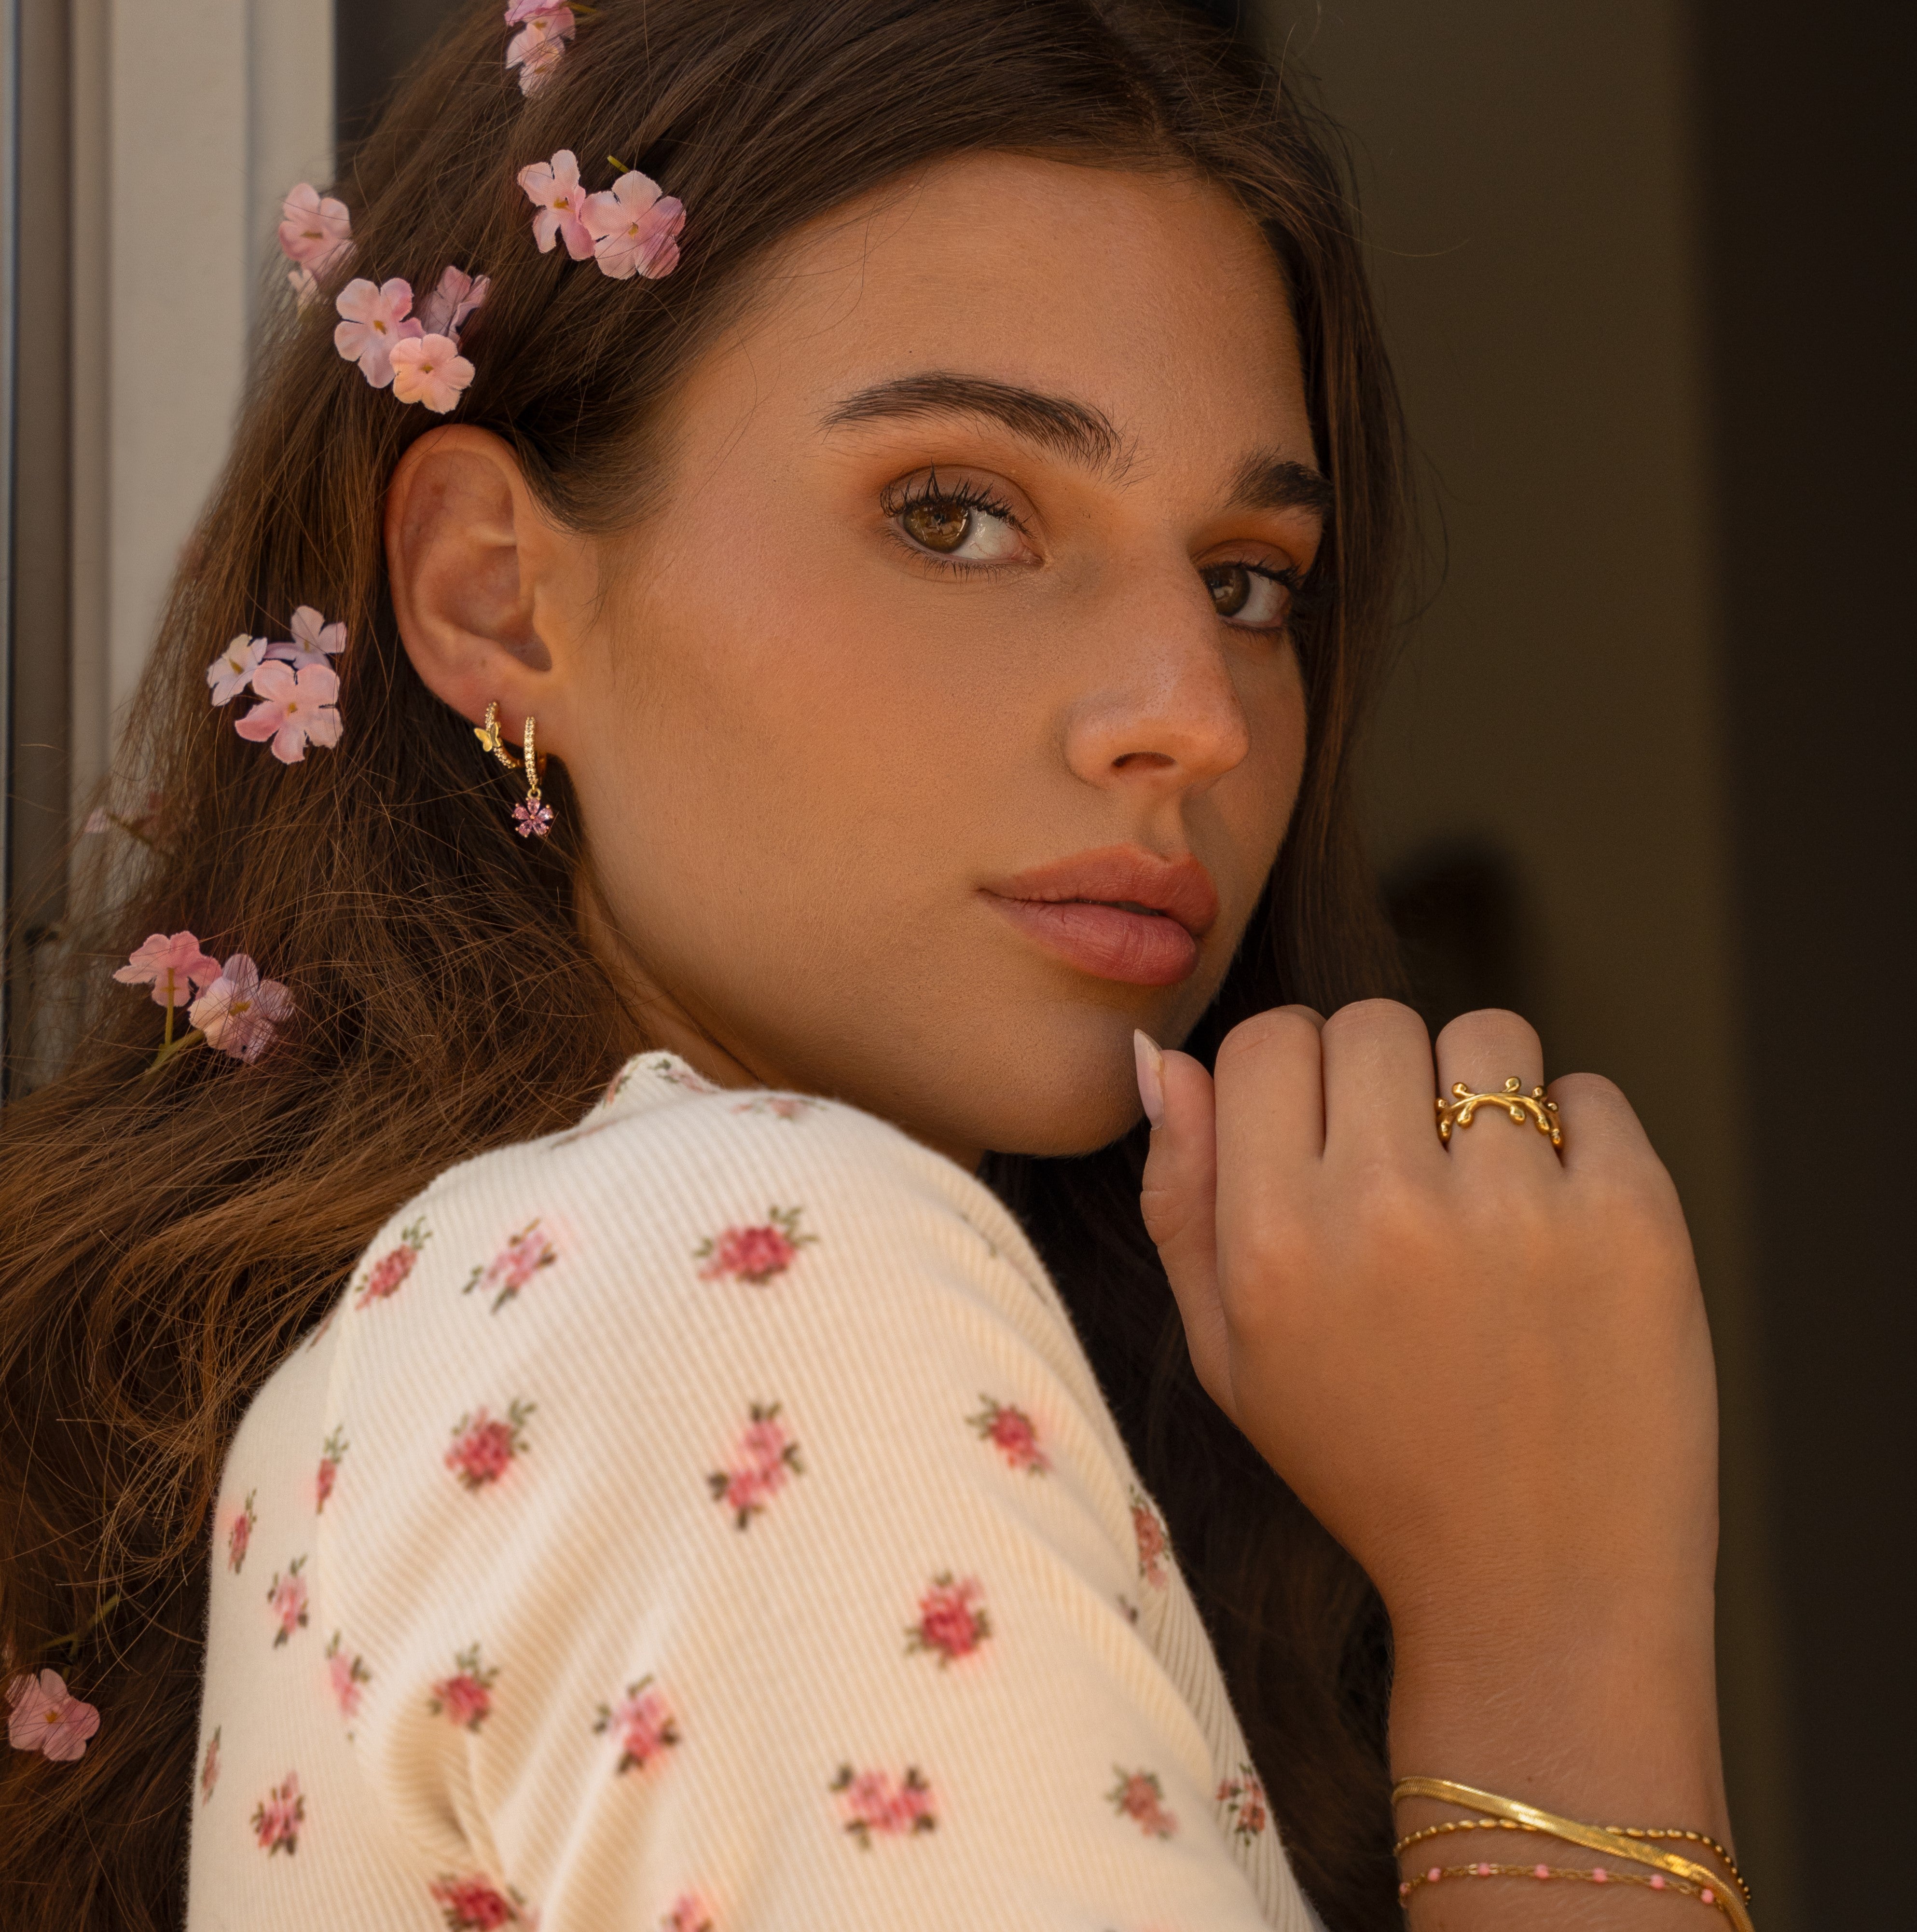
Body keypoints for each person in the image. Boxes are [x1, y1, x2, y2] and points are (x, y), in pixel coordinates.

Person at [0, 3, 1745, 1929]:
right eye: (957, 513)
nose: (1199, 718)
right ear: (497, 592)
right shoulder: (745, 1273)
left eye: (1248, 581)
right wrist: (1563, 1648)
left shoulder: (480, 1355)